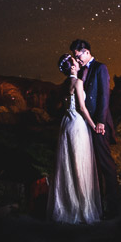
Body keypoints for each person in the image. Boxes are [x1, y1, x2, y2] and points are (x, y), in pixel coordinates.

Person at [47, 53, 103, 224]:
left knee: (68, 164)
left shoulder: (63, 85)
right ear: (71, 67)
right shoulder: (78, 83)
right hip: (77, 125)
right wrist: (94, 126)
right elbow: (82, 108)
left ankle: (68, 205)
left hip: (66, 124)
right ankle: (82, 208)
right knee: (80, 164)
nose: (78, 62)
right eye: (74, 61)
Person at [70, 39, 120, 218]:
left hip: (99, 124)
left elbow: (104, 95)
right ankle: (98, 205)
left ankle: (114, 207)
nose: (78, 59)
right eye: (75, 57)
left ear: (86, 51)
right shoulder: (82, 71)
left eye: (78, 55)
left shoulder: (100, 68)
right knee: (94, 166)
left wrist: (100, 121)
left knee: (106, 164)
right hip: (86, 125)